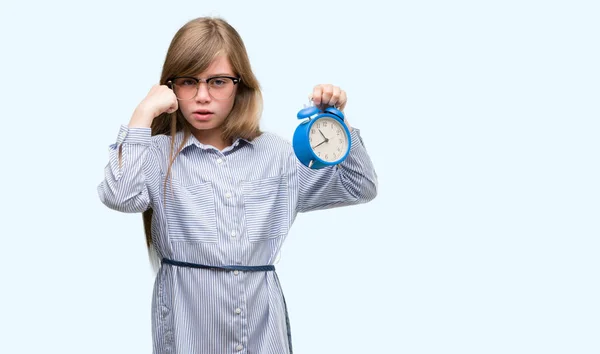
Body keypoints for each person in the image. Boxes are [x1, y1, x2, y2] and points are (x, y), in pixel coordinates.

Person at [97, 16, 378, 354]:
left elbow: (358, 185)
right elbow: (120, 195)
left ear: (239, 84)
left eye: (217, 82)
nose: (202, 96)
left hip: (264, 334)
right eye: (188, 82)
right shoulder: (158, 155)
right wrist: (143, 113)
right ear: (170, 88)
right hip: (190, 333)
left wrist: (337, 123)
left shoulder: (276, 155)